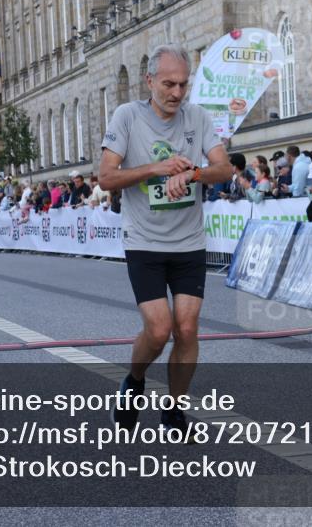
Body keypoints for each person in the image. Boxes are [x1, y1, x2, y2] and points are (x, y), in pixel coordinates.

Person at [99, 43, 229, 433]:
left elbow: (223, 169)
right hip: (144, 242)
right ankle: (135, 379)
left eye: (183, 85)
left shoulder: (198, 117)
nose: (176, 93)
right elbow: (106, 177)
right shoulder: (127, 116)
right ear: (149, 81)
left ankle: (174, 409)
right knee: (158, 329)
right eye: (168, 84)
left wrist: (191, 175)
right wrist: (156, 168)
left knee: (187, 328)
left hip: (189, 242)